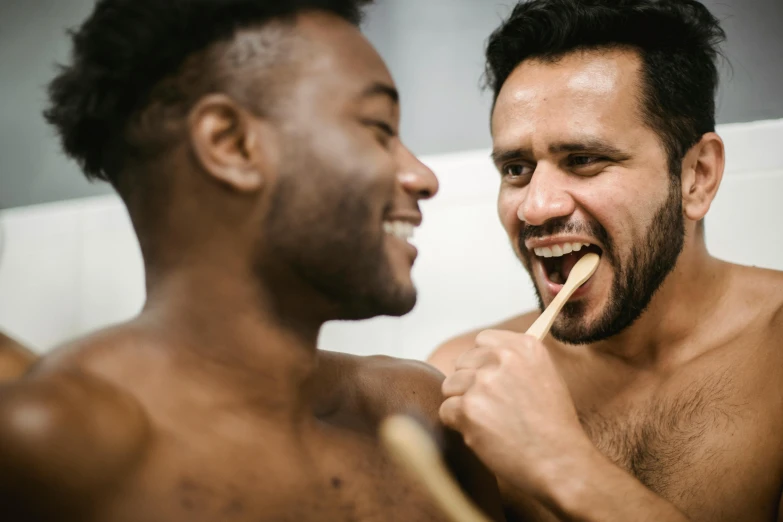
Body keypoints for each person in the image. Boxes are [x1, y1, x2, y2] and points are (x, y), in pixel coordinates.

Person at [0, 1, 504, 521]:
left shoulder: (419, 411)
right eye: (378, 128)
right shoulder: (44, 445)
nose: (424, 177)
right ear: (232, 143)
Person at [428, 0, 783, 521]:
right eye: (517, 168)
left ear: (697, 176)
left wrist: (561, 463)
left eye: (584, 160)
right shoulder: (460, 382)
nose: (535, 206)